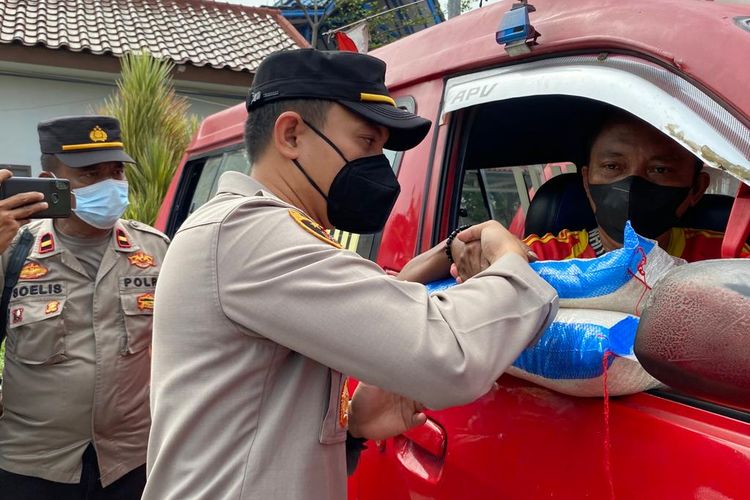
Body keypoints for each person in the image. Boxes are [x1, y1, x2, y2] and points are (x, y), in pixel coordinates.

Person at [144, 49, 558, 500]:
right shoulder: (248, 233)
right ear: (291, 135)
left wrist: (353, 427)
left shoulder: (253, 233)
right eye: (366, 143)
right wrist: (514, 266)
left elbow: (250, 426)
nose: (379, 166)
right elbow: (447, 356)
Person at [0, 116, 169, 499]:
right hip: (33, 467)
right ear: (49, 180)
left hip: (131, 462)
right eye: (90, 174)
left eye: (116, 171)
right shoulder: (13, 251)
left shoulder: (156, 249)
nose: (110, 185)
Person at [522, 110, 750, 262]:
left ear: (696, 189)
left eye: (660, 169)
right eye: (612, 166)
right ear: (587, 181)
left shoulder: (727, 260)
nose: (631, 185)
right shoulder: (543, 258)